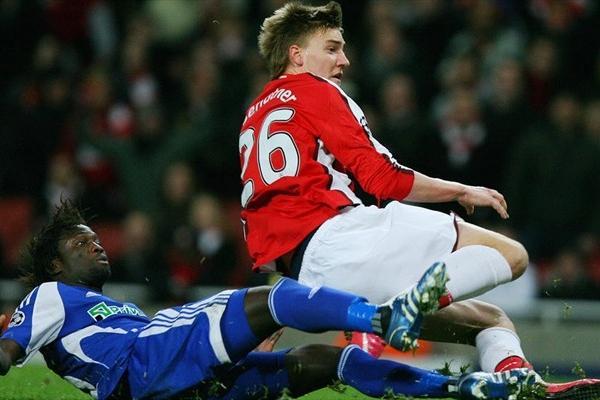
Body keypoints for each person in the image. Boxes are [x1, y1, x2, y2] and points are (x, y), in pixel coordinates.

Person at [238, 2, 600, 398]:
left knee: (491, 319)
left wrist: (278, 309)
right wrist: (460, 190)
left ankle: (519, 383)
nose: (344, 59)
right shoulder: (317, 90)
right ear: (296, 54)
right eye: (332, 48)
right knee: (512, 255)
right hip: (346, 239)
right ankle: (399, 308)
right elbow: (383, 178)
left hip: (313, 277)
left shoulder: (253, 116)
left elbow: (267, 227)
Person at [0, 201, 537, 400]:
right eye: (80, 243)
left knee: (325, 362)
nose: (96, 245)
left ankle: (463, 389)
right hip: (144, 369)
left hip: (174, 382)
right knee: (273, 299)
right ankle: (384, 317)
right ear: (55, 265)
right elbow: (6, 353)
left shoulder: (109, 309)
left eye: (96, 237)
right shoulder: (49, 295)